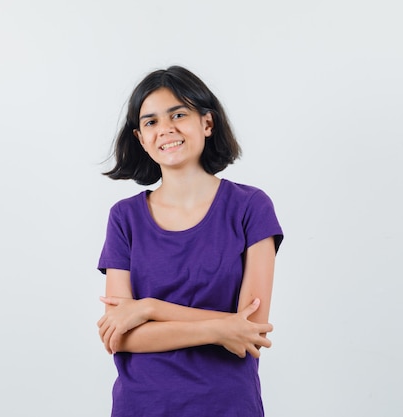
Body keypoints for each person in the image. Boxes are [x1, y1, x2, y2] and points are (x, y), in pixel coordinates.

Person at [96, 65, 284, 417]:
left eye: (178, 114)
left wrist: (150, 308)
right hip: (143, 405)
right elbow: (120, 336)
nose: (165, 129)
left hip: (227, 405)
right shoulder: (125, 218)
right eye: (150, 122)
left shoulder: (250, 207)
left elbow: (250, 333)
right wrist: (218, 327)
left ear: (207, 124)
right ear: (140, 138)